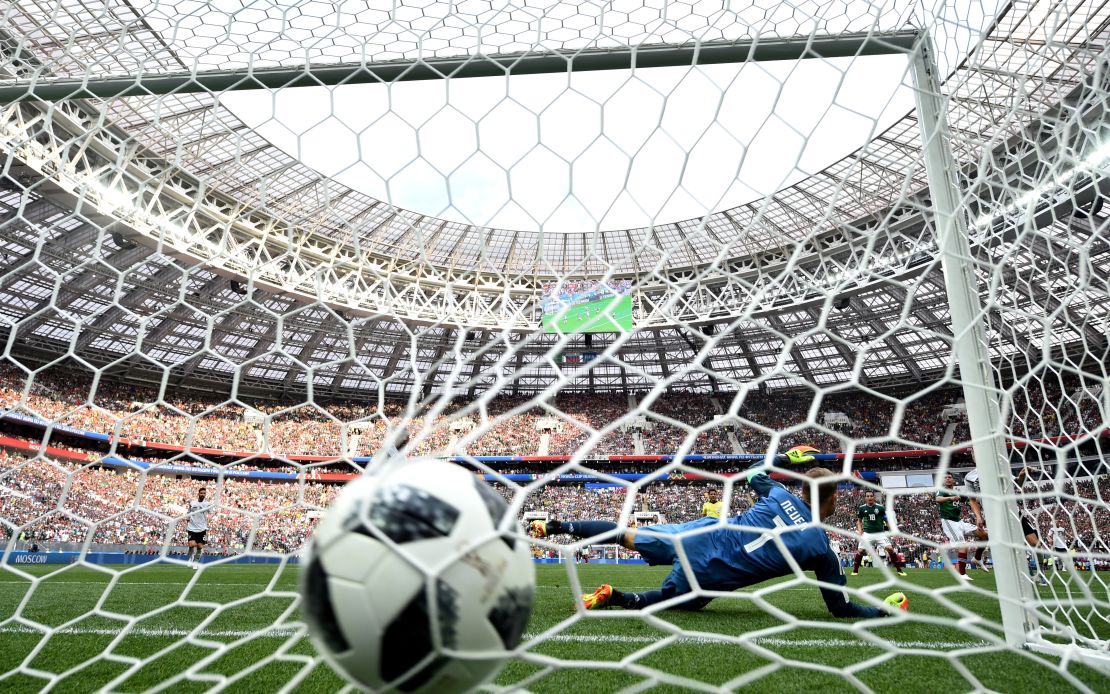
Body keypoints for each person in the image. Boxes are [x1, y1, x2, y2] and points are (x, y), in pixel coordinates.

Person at [530, 467, 908, 617]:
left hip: (700, 534)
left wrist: (786, 463)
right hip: (713, 573)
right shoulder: (821, 549)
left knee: (624, 534)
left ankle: (560, 524)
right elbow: (840, 609)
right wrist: (883, 612)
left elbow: (756, 476)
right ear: (833, 499)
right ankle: (622, 598)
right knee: (683, 602)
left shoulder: (779, 494)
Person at [964, 467, 1047, 584]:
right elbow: (972, 499)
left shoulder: (999, 467)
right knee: (1009, 548)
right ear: (973, 456)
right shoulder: (969, 477)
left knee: (1035, 544)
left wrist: (1022, 475)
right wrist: (978, 516)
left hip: (1013, 511)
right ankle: (1020, 573)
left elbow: (1017, 484)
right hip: (994, 516)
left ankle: (1040, 574)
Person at [936, 472, 986, 580]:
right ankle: (962, 574)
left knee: (985, 535)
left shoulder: (958, 492)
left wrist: (979, 500)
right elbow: (938, 499)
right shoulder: (942, 490)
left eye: (949, 477)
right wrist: (950, 498)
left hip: (959, 521)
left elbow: (971, 500)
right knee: (963, 545)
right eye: (945, 478)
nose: (948, 479)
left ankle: (977, 558)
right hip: (949, 522)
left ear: (953, 480)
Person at [851, 490, 907, 577]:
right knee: (860, 551)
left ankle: (899, 570)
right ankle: (855, 571)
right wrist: (860, 531)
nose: (869, 497)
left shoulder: (880, 508)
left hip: (880, 534)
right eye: (868, 496)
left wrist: (891, 530)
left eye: (871, 496)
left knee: (890, 549)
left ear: (874, 497)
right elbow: (859, 521)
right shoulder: (862, 508)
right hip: (867, 534)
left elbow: (886, 520)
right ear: (865, 498)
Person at [185, 488, 212, 569]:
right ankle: (191, 557)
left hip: (202, 528)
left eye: (204, 493)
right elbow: (188, 512)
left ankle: (196, 562)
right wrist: (188, 517)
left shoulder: (207, 504)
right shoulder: (193, 503)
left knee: (200, 546)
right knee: (191, 544)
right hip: (192, 527)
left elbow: (210, 512)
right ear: (198, 493)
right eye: (201, 493)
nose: (203, 494)